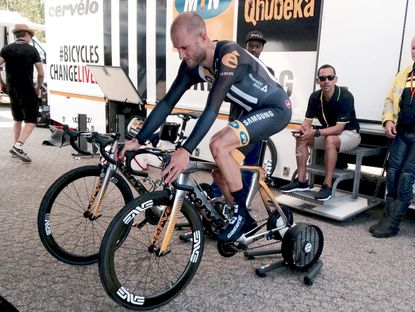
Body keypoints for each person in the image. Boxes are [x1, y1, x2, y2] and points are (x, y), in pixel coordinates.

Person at [118, 12, 292, 242]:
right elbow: (168, 102)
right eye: (177, 49)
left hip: (276, 109)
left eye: (184, 47)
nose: (181, 55)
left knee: (217, 144)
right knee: (220, 173)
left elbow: (211, 109)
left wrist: (185, 151)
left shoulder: (229, 55)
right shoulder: (192, 64)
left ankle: (239, 214)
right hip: (251, 112)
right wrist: (138, 139)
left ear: (202, 37)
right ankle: (247, 222)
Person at [279, 64, 360, 201]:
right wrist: (302, 130)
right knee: (301, 138)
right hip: (328, 133)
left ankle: (327, 186)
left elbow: (339, 129)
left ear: (336, 79)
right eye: (323, 78)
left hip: (350, 133)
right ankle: (302, 181)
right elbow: (306, 123)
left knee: (330, 140)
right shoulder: (315, 97)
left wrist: (315, 132)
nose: (326, 81)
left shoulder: (346, 96)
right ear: (318, 81)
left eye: (330, 77)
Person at [211, 30, 274, 199]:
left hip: (258, 128)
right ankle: (216, 196)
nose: (253, 49)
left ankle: (242, 203)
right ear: (245, 47)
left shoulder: (268, 72)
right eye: (250, 46)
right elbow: (224, 96)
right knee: (226, 161)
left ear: (261, 49)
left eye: (257, 46)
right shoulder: (234, 67)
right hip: (237, 125)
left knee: (250, 166)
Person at [370, 36, 415, 238]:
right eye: (413, 48)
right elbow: (389, 101)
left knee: (406, 178)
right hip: (402, 134)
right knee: (393, 175)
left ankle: (393, 224)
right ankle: (386, 218)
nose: (414, 51)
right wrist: (388, 121)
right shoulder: (404, 74)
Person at [0, 24, 44, 162]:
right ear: (26, 34)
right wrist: (38, 86)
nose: (30, 38)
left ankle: (15, 147)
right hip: (27, 88)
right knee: (31, 119)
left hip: (12, 89)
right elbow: (41, 73)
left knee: (17, 119)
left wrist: (2, 83)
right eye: (30, 35)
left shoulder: (6, 49)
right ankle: (18, 146)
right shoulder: (32, 50)